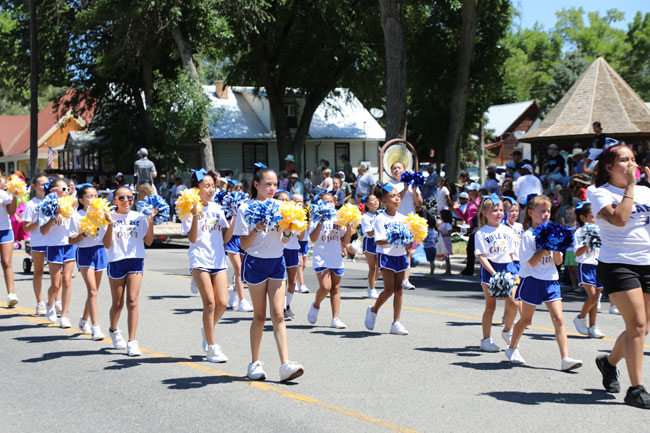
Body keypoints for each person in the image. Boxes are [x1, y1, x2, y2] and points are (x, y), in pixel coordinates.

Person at [590, 143, 650, 408]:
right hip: (617, 264)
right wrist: (630, 187)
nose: (631, 165)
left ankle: (608, 362)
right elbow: (619, 219)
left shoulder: (646, 192)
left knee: (640, 328)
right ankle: (636, 389)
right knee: (637, 326)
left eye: (633, 160)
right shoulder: (599, 192)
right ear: (609, 167)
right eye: (625, 160)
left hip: (646, 261)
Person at [234, 166, 304, 382]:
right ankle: (254, 363)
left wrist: (288, 230)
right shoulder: (246, 208)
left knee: (279, 314)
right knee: (259, 315)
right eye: (268, 184)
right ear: (256, 185)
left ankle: (285, 365)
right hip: (255, 263)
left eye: (275, 184)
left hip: (277, 263)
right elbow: (242, 245)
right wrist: (257, 228)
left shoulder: (282, 207)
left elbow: (287, 240)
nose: (272, 188)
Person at [505, 195, 583, 371]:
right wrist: (545, 247)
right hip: (532, 280)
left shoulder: (553, 233)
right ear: (531, 213)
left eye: (548, 211)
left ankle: (565, 358)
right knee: (526, 320)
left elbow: (558, 262)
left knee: (559, 318)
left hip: (551, 280)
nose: (546, 214)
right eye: (542, 211)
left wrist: (555, 248)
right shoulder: (528, 236)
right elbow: (531, 262)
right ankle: (512, 348)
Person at [182, 169, 235, 363]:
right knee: (210, 303)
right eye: (207, 186)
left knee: (222, 302)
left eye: (213, 186)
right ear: (197, 189)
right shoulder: (187, 208)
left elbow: (225, 238)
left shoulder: (217, 208)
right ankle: (212, 348)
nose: (211, 190)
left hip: (218, 259)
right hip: (200, 259)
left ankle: (208, 328)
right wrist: (196, 215)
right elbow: (192, 237)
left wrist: (234, 219)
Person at [103, 186, 156, 356]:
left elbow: (148, 241)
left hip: (135, 260)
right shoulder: (108, 217)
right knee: (117, 303)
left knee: (132, 300)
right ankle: (113, 329)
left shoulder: (139, 217)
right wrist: (110, 224)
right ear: (115, 201)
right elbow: (105, 244)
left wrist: (150, 222)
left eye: (130, 197)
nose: (126, 201)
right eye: (122, 198)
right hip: (116, 261)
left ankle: (132, 341)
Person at [474, 194, 518, 352]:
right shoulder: (481, 233)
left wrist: (514, 270)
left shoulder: (508, 230)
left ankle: (507, 330)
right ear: (485, 213)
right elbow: (482, 256)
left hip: (507, 268)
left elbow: (511, 254)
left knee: (514, 303)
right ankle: (486, 339)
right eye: (494, 210)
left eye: (500, 210)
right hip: (490, 270)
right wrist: (494, 274)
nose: (499, 213)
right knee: (490, 306)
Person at [364, 184, 410, 335]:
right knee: (389, 289)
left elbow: (409, 241)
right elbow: (379, 240)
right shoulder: (380, 218)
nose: (396, 198)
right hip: (386, 256)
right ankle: (373, 310)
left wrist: (411, 239)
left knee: (399, 289)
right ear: (384, 200)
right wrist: (394, 238)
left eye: (397, 196)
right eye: (392, 196)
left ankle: (396, 322)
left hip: (400, 256)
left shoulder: (404, 218)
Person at [307, 192, 353, 329]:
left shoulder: (339, 218)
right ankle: (316, 305)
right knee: (325, 287)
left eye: (331, 202)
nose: (329, 204)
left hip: (335, 257)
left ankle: (335, 318)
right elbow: (313, 239)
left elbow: (345, 241)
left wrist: (349, 227)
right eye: (325, 202)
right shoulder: (315, 218)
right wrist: (321, 222)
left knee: (336, 288)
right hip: (321, 257)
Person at [68, 185, 108, 341]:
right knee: (92, 290)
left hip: (99, 251)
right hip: (84, 252)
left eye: (96, 196)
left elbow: (106, 236)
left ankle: (84, 319)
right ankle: (95, 327)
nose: (93, 199)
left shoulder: (102, 213)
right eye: (90, 196)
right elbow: (71, 240)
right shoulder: (76, 216)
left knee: (94, 291)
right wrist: (83, 234)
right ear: (81, 200)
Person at [39, 178, 76, 327]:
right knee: (56, 284)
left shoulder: (72, 205)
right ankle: (50, 303)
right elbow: (42, 230)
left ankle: (64, 315)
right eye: (63, 189)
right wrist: (54, 216)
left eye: (68, 189)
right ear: (53, 191)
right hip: (54, 245)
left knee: (67, 280)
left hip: (69, 244)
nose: (67, 192)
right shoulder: (45, 207)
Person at [572, 201, 605, 339]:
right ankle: (580, 317)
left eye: (597, 216)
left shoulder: (601, 230)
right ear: (583, 218)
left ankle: (592, 326)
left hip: (599, 265)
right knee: (592, 297)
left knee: (596, 297)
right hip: (586, 265)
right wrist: (588, 242)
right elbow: (578, 253)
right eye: (592, 216)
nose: (595, 220)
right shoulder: (580, 232)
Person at [388, 161, 423, 290]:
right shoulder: (389, 185)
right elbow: (395, 200)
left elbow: (419, 203)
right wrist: (405, 189)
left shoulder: (412, 183)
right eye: (394, 168)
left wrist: (413, 190)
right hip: (394, 220)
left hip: (409, 220)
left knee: (407, 251)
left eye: (399, 167)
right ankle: (393, 276)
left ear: (404, 169)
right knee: (393, 250)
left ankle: (406, 279)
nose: (397, 170)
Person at [22, 175, 49, 315]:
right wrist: (39, 221)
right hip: (38, 242)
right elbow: (26, 228)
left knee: (57, 274)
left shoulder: (55, 201)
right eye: (41, 184)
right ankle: (40, 302)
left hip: (53, 242)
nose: (44, 186)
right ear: (34, 187)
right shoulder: (31, 204)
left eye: (47, 183)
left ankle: (56, 301)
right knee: (38, 271)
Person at [275, 190, 303, 321]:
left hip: (292, 249)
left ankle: (287, 305)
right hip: (278, 249)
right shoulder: (274, 214)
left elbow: (301, 236)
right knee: (282, 281)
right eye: (281, 200)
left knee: (292, 282)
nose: (284, 202)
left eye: (287, 200)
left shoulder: (294, 214)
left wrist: (298, 222)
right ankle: (281, 308)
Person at [0, 175, 18, 307]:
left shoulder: (4, 195)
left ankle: (11, 294)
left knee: (6, 262)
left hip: (5, 230)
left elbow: (11, 213)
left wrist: (15, 198)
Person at [361, 194, 380, 298]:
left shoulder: (380, 215)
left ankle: (371, 283)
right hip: (370, 242)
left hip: (380, 241)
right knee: (372, 267)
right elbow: (369, 233)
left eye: (376, 199)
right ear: (367, 204)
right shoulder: (365, 217)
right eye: (372, 200)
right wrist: (379, 227)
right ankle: (372, 289)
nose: (375, 202)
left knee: (381, 267)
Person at [293, 193, 310, 294]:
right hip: (297, 240)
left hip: (305, 240)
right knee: (300, 263)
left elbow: (308, 227)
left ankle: (294, 281)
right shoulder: (291, 213)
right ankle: (302, 284)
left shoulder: (306, 212)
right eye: (296, 202)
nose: (299, 204)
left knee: (303, 265)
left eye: (301, 202)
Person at [417, 204, 438, 276]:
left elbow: (425, 239)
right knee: (432, 261)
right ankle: (432, 271)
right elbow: (436, 240)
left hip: (427, 247)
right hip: (434, 247)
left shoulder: (426, 231)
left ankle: (431, 272)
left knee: (430, 260)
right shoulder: (435, 232)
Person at [438, 210, 453, 275]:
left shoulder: (448, 224)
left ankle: (448, 270)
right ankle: (447, 270)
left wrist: (442, 234)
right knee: (445, 256)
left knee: (447, 257)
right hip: (442, 242)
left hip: (446, 242)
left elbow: (449, 233)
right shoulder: (441, 223)